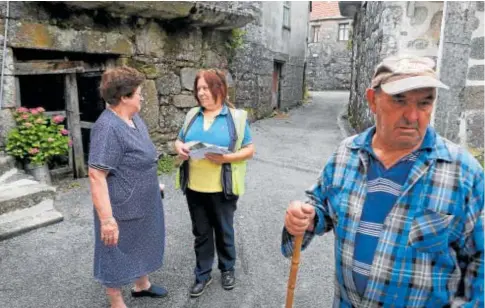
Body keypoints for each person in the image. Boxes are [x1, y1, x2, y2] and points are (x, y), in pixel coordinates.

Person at [282, 55, 484, 307]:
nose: (412, 115)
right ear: (372, 100)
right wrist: (306, 216)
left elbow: (480, 259)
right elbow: (321, 206)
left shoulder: (463, 172)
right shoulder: (347, 154)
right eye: (399, 100)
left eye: (424, 102)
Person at [88, 66, 167, 308]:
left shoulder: (134, 119)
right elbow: (96, 175)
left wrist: (154, 183)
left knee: (142, 241)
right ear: (124, 97)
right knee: (114, 249)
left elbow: (138, 158)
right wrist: (107, 220)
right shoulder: (108, 127)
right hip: (120, 207)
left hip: (144, 202)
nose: (142, 97)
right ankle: (115, 301)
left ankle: (141, 285)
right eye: (139, 93)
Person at [174, 69, 255, 297]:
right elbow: (179, 140)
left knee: (224, 230)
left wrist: (226, 158)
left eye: (206, 88)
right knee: (201, 232)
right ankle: (202, 274)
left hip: (222, 188)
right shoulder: (192, 115)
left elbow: (249, 149)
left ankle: (227, 269)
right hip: (194, 186)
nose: (201, 93)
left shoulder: (236, 118)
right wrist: (178, 147)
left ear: (219, 89)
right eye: (198, 89)